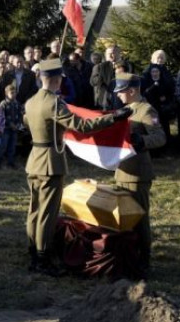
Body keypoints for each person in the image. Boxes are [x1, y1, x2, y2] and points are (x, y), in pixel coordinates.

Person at [23, 59, 132, 276]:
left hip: (34, 159)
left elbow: (28, 123)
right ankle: (42, 258)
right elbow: (82, 126)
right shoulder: (54, 103)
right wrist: (112, 118)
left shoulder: (31, 101)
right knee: (47, 213)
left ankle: (34, 251)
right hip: (50, 162)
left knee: (34, 209)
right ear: (56, 80)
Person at [113, 73, 166, 276]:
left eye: (121, 91)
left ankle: (144, 259)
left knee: (139, 218)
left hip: (138, 173)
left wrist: (141, 141)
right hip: (122, 171)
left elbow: (160, 137)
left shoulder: (146, 110)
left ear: (132, 90)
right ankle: (129, 256)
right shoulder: (124, 110)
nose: (118, 95)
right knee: (126, 217)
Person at [0, 84, 23, 168]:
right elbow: (1, 116)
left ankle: (11, 162)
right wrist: (9, 123)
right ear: (6, 93)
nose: (14, 94)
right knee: (3, 146)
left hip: (14, 129)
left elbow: (20, 115)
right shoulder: (3, 104)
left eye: (15, 93)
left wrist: (18, 124)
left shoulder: (17, 104)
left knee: (12, 146)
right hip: (5, 129)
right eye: (11, 93)